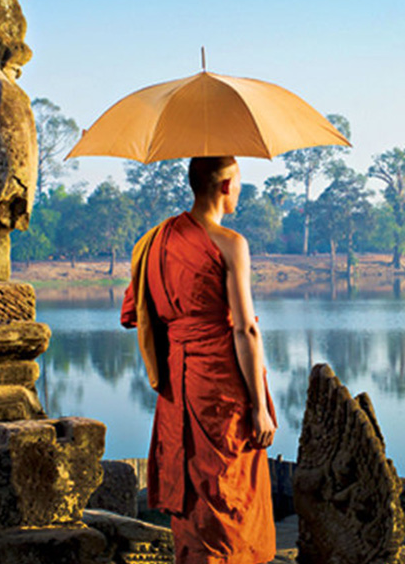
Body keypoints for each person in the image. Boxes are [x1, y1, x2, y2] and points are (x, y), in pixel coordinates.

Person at [121, 156, 277, 564]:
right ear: (225, 185)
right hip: (222, 385)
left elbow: (131, 313)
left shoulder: (154, 242)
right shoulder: (230, 243)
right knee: (230, 494)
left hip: (177, 385)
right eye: (239, 182)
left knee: (192, 491)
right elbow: (246, 330)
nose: (240, 190)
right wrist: (259, 407)